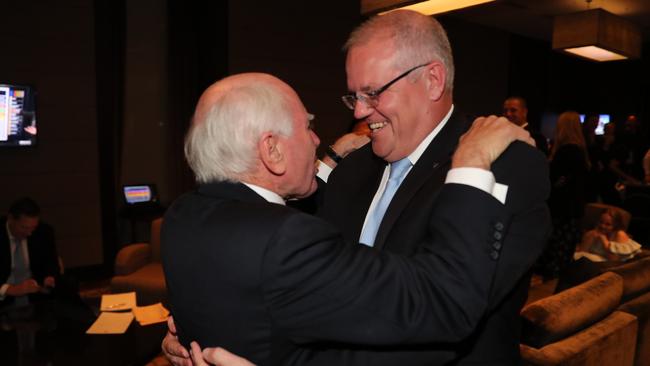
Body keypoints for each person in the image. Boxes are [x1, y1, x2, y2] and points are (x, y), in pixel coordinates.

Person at [165, 10, 551, 366]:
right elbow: (267, 267)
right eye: (354, 95)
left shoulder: (503, 166)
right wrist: (203, 322)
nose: (359, 111)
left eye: (373, 93)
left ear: (432, 79)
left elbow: (452, 312)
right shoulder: (351, 170)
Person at [535, 111, 590, 279]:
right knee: (564, 248)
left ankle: (552, 282)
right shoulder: (579, 150)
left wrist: (551, 187)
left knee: (556, 248)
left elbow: (561, 179)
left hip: (562, 209)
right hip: (572, 208)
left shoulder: (567, 151)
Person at [1, 197, 60, 309]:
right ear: (10, 218)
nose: (29, 233)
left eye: (33, 228)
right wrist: (10, 290)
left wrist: (48, 277)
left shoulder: (43, 231)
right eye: (24, 227)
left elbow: (51, 263)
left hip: (35, 298)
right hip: (3, 300)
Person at [576, 208, 642, 262]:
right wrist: (591, 236)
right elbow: (583, 251)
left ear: (615, 225)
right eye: (601, 222)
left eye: (608, 224)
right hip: (596, 260)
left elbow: (614, 260)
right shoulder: (596, 231)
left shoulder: (619, 234)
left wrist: (604, 241)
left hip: (612, 264)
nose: (602, 226)